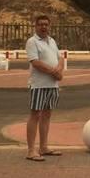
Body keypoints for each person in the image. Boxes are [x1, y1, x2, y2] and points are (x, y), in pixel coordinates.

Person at [25, 14, 64, 161]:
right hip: (38, 85)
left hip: (52, 85)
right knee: (35, 115)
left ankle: (43, 147)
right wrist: (54, 72)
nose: (43, 27)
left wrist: (59, 70)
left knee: (47, 115)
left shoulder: (52, 41)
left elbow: (59, 58)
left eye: (46, 24)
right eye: (40, 24)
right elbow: (35, 62)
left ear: (49, 26)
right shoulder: (32, 42)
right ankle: (30, 150)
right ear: (35, 26)